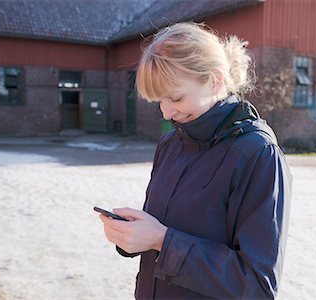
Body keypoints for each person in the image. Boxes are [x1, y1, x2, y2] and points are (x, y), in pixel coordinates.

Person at [98, 22, 292, 299]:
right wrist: (135, 236)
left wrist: (162, 240)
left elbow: (257, 287)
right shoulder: (170, 144)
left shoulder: (257, 155)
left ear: (215, 79)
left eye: (176, 98)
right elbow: (164, 232)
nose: (166, 113)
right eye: (159, 101)